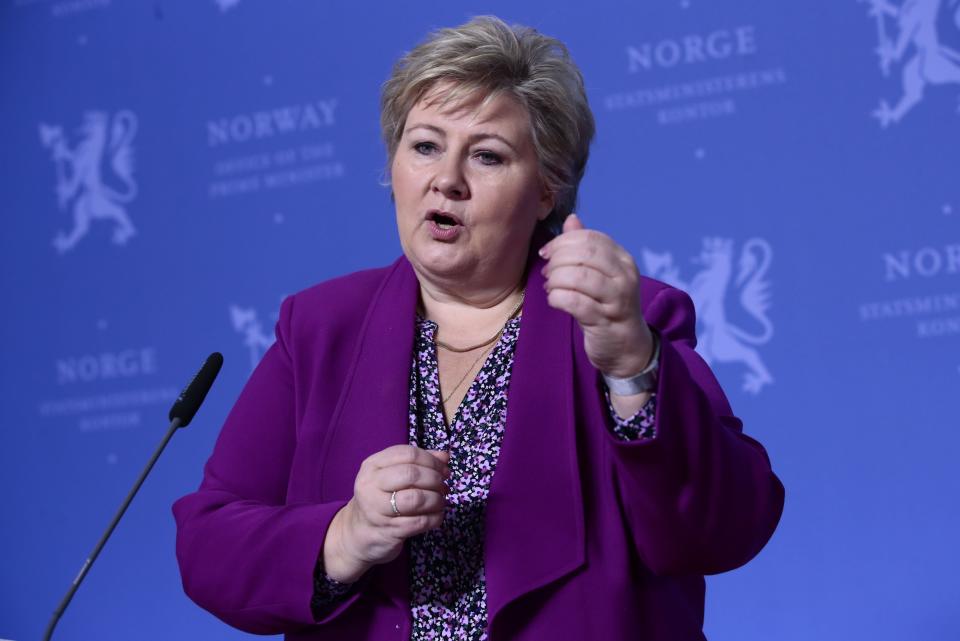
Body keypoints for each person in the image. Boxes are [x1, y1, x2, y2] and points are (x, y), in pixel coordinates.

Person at [172, 16, 784, 641]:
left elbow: (727, 526)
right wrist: (344, 536)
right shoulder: (320, 328)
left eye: (487, 155)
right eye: (425, 146)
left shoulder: (627, 319)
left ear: (546, 191)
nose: (447, 179)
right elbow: (209, 542)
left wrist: (631, 364)